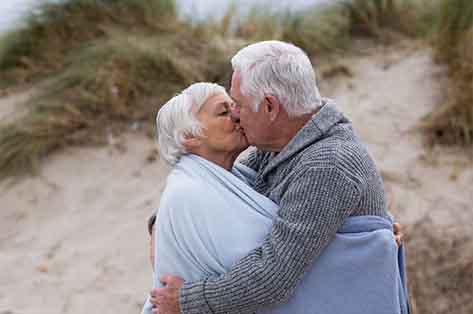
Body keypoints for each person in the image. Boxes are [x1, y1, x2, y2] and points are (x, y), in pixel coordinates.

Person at [144, 53, 408, 313]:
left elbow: (273, 276)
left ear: (270, 107)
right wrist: (164, 223)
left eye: (238, 104)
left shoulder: (327, 164)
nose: (236, 114)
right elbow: (222, 187)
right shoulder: (278, 147)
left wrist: (186, 302)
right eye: (228, 108)